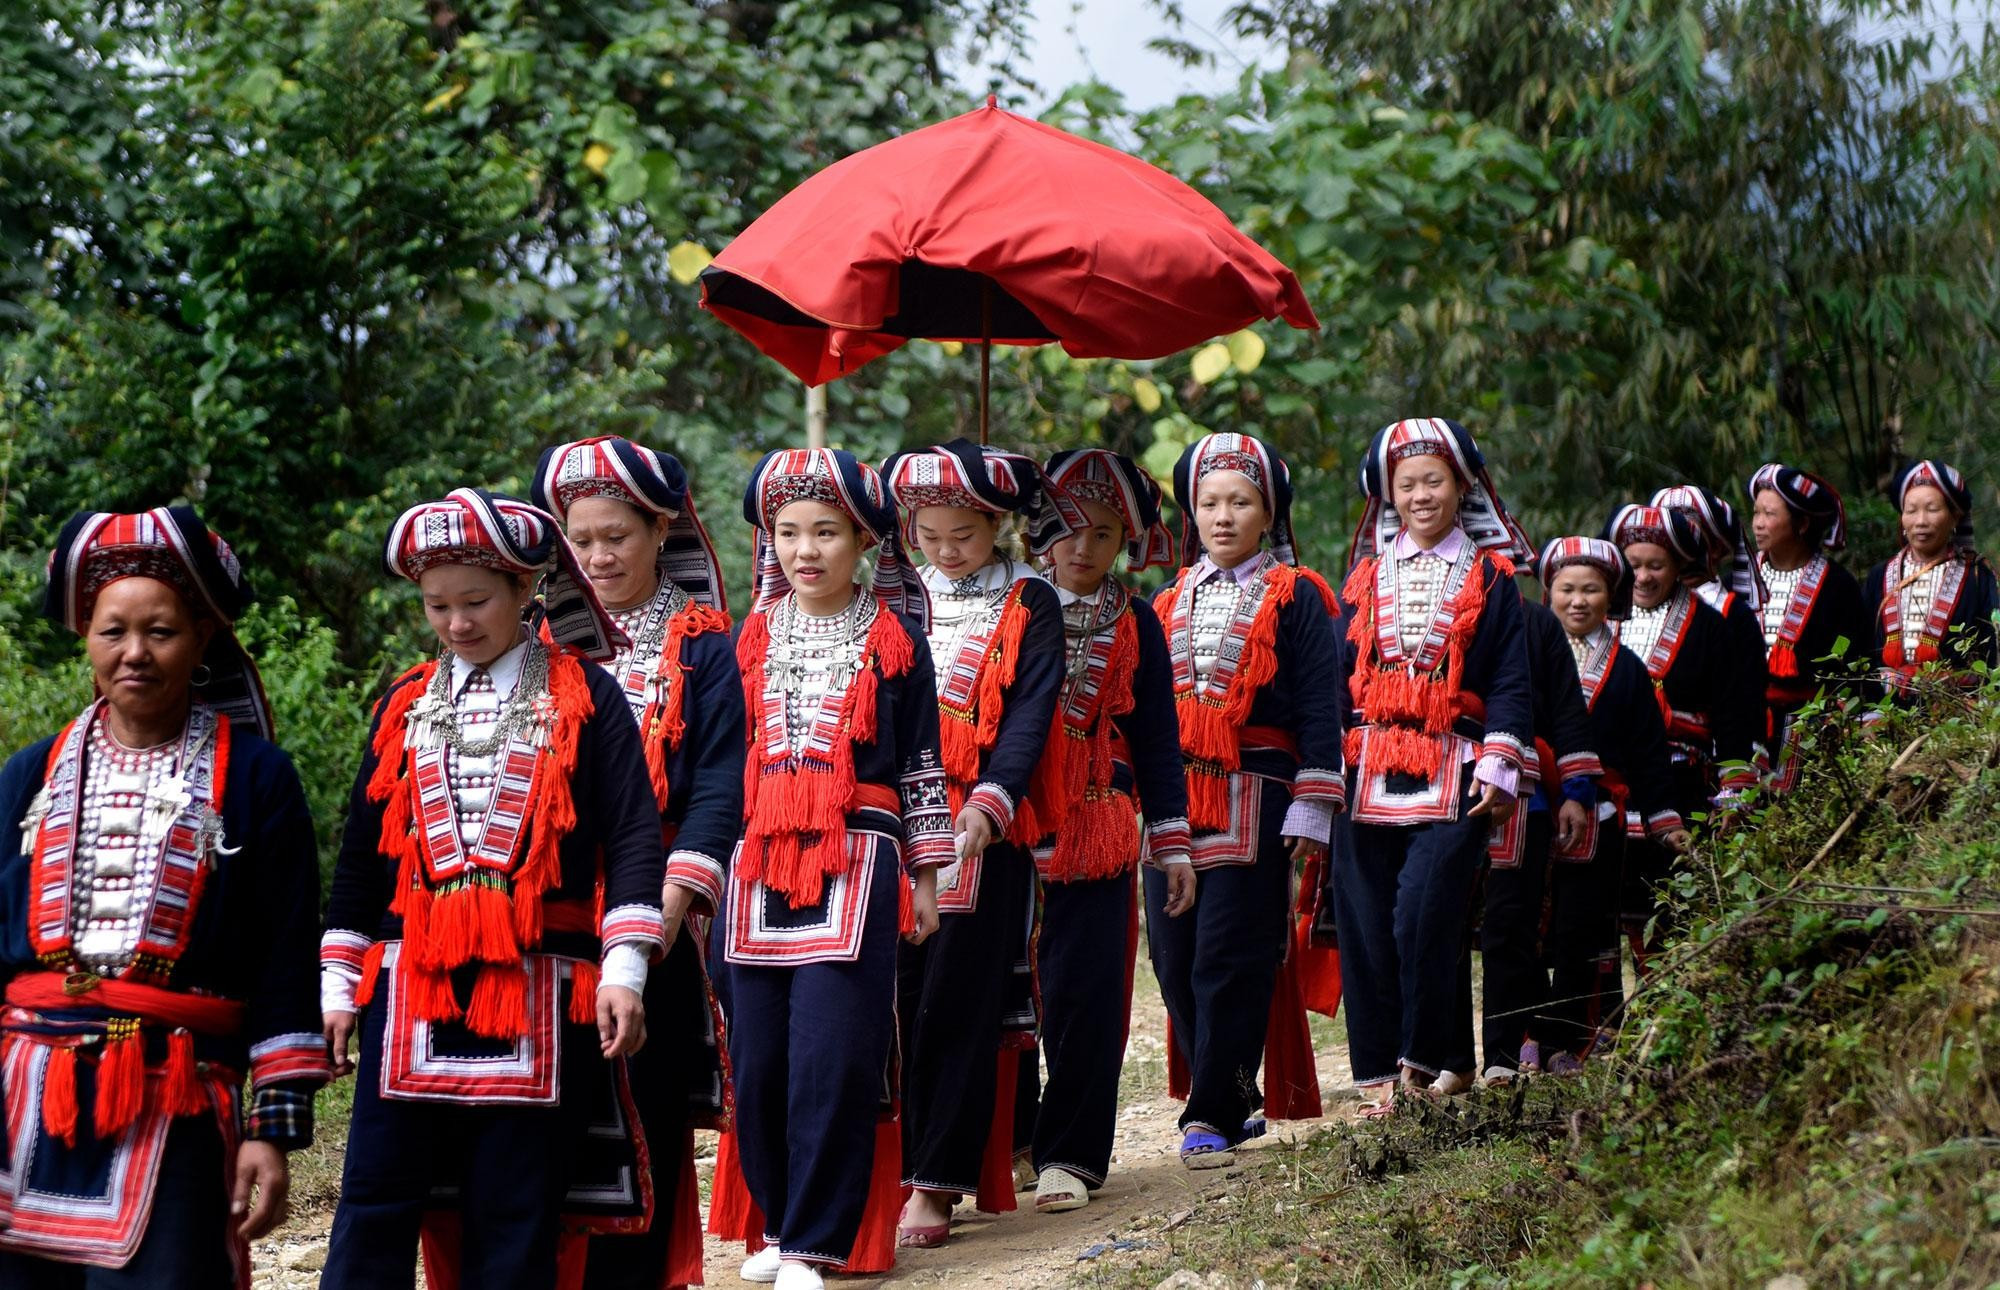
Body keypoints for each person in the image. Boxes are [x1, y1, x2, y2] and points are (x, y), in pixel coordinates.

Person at [318, 488, 666, 1290]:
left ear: (526, 592)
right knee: (373, 1198)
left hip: (542, 984)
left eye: (476, 601)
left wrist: (625, 972)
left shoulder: (588, 694)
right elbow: (363, 855)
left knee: (516, 1208)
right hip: (411, 988)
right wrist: (339, 982)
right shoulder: (404, 702)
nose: (456, 624)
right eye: (436, 606)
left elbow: (634, 837)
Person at [0, 507, 327, 1287]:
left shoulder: (254, 780)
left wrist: (271, 1133)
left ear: (203, 639)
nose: (135, 654)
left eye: (161, 632)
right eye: (113, 632)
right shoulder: (27, 776)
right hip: (21, 1096)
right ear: (86, 639)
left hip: (176, 1099)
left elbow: (284, 961)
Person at [726, 448, 950, 1290]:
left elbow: (924, 762)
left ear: (862, 541)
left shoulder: (896, 640)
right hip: (759, 863)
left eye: (825, 531)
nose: (805, 550)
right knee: (759, 1061)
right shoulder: (746, 638)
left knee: (833, 1055)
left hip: (862, 858)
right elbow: (725, 760)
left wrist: (927, 880)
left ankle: (818, 1241)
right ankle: (782, 1227)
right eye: (787, 533)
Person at [529, 435, 742, 1288]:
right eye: (580, 541)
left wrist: (667, 910)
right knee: (552, 1111)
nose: (599, 557)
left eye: (616, 535)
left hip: (661, 909)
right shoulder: (543, 650)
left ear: (661, 530)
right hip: (556, 912)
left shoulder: (705, 647)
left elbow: (720, 782)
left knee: (646, 1112)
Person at [885, 439, 1071, 1247]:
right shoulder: (895, 597)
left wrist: (988, 808)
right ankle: (885, 1168)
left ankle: (937, 1181)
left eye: (961, 533)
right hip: (895, 823)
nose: (944, 550)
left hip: (979, 828)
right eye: (927, 533)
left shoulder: (1032, 601)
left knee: (954, 1003)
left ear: (996, 522)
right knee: (894, 997)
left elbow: (1030, 715)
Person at [1151, 431, 1345, 1163]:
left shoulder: (1297, 595)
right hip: (1173, 797)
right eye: (1209, 503)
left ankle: (1211, 1111)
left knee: (1228, 956)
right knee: (1173, 957)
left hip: (1258, 790)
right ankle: (1232, 1091)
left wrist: (1313, 803)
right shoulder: (1165, 601)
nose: (1223, 516)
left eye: (1241, 501)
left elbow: (1320, 707)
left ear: (1270, 512)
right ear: (1191, 513)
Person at [1332, 418, 1533, 1114]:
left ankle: (1415, 1060)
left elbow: (1511, 674)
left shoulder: (1490, 578)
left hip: (1454, 763)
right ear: (1388, 494)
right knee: (1365, 920)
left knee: (1424, 911)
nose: (1421, 495)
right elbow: (1337, 675)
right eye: (1406, 484)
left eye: (1434, 481)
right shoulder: (1362, 579)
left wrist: (1503, 760)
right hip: (1365, 766)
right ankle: (1384, 1072)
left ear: (1462, 487)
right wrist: (1319, 765)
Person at [1012, 448, 1190, 1211]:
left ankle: (1071, 1155)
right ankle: (1010, 1138)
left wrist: (1173, 838)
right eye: (1069, 530)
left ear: (1127, 543)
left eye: (1105, 535)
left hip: (1098, 824)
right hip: (1004, 826)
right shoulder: (1004, 608)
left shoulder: (1138, 622)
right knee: (1002, 991)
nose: (1082, 550)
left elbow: (1156, 737)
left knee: (1086, 992)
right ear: (1038, 531)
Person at [1530, 538, 1688, 1070]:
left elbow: (1648, 754)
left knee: (1584, 928)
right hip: (1531, 812)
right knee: (1528, 928)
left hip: (1600, 816)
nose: (1579, 601)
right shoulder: (1528, 655)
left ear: (1611, 595)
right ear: (1547, 592)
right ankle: (1528, 1033)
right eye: (1567, 589)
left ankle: (1573, 1039)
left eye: (1591, 589)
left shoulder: (1627, 670)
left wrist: (1665, 821)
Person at [1605, 503, 1753, 967]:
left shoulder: (1711, 626)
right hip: (1606, 784)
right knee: (1604, 912)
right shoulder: (1600, 620)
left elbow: (1734, 715)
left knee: (1668, 908)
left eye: (1657, 565)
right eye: (1634, 566)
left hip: (1679, 782)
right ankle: (1602, 1021)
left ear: (1679, 566)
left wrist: (1734, 790)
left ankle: (1662, 1009)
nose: (1644, 577)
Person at [1466, 587, 1598, 1085]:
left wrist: (1575, 791)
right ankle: (1440, 1055)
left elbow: (1567, 707)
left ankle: (1502, 1052)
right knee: (1438, 922)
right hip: (1440, 783)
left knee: (1510, 925)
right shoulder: (1416, 608)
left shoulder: (1535, 621)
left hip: (1523, 789)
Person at [1745, 464, 1868, 791]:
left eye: (1769, 514)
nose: (1757, 523)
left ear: (1801, 523)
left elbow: (1851, 668)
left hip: (1810, 733)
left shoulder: (1838, 587)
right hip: (1744, 724)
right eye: (1755, 512)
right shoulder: (1738, 579)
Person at [1650, 484, 1769, 777]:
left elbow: (1745, 706)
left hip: (1704, 765)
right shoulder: (1634, 610)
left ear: (1713, 546)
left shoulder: (1733, 615)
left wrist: (1736, 777)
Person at [1863, 460, 2000, 697]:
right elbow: (1861, 651)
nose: (1921, 521)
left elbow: (1992, 656)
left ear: (1955, 516)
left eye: (1932, 509)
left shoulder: (1978, 578)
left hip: (1956, 715)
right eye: (1911, 510)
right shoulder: (1879, 576)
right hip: (1884, 712)